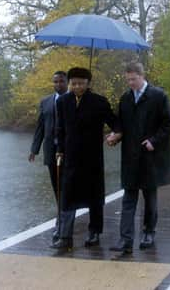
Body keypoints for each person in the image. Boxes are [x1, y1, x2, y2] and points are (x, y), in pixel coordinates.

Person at [108, 62, 170, 254]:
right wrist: (116, 136)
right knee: (128, 198)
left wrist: (154, 141)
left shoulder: (158, 96)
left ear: (142, 76)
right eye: (127, 79)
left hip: (150, 156)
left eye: (133, 79)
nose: (130, 83)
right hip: (130, 157)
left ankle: (148, 232)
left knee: (149, 197)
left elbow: (169, 123)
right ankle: (125, 240)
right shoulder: (125, 99)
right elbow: (121, 125)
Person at [53, 67, 120, 250]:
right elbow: (60, 128)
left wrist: (116, 135)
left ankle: (94, 232)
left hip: (92, 158)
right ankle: (65, 236)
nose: (77, 87)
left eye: (81, 83)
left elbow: (114, 122)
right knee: (67, 197)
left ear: (88, 83)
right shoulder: (63, 102)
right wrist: (59, 150)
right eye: (73, 83)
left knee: (94, 198)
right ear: (69, 83)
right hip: (70, 157)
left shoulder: (99, 102)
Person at [28, 70, 68, 244]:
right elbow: (40, 127)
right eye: (55, 82)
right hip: (51, 152)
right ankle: (60, 220)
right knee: (57, 188)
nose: (58, 84)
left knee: (67, 189)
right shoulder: (45, 102)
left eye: (61, 81)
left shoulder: (73, 101)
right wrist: (34, 149)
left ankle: (64, 224)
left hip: (69, 152)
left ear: (67, 82)